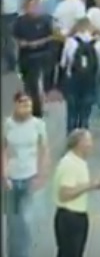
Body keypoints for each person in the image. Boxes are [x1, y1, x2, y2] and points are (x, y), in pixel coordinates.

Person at [4, 90, 51, 257]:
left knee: (26, 221)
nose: (27, 108)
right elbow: (2, 150)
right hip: (11, 178)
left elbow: (44, 150)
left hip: (30, 176)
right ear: (15, 105)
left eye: (29, 105)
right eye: (23, 104)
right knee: (13, 221)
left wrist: (41, 175)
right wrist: (4, 175)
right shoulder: (7, 124)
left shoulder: (38, 125)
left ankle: (23, 254)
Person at [52, 129, 100, 257]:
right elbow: (64, 194)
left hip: (76, 215)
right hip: (70, 217)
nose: (91, 145)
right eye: (88, 141)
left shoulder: (79, 161)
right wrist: (90, 185)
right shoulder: (70, 164)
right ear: (79, 144)